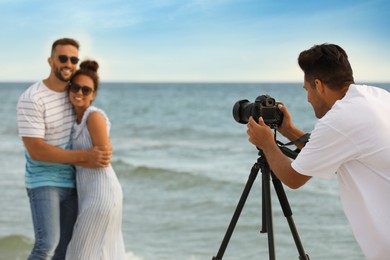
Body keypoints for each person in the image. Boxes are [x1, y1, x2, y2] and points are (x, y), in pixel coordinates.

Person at [246, 43, 390, 260]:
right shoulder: (378, 97)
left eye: (307, 90)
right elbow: (333, 150)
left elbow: (294, 178)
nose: (307, 98)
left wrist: (267, 144)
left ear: (318, 85)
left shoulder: (340, 119)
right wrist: (290, 131)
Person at [17, 38, 112, 260]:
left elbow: (91, 119)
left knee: (65, 250)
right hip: (43, 181)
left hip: (72, 183)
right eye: (62, 58)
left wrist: (104, 142)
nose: (68, 63)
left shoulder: (73, 94)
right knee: (46, 245)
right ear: (51, 61)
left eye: (73, 59)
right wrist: (86, 156)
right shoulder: (32, 98)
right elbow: (37, 151)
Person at [65, 60, 126, 260]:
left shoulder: (94, 116)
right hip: (90, 194)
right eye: (75, 87)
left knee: (80, 254)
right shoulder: (75, 120)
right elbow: (92, 156)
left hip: (102, 195)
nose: (79, 92)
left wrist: (68, 158)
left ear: (93, 95)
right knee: (98, 253)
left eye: (86, 89)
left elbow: (103, 158)